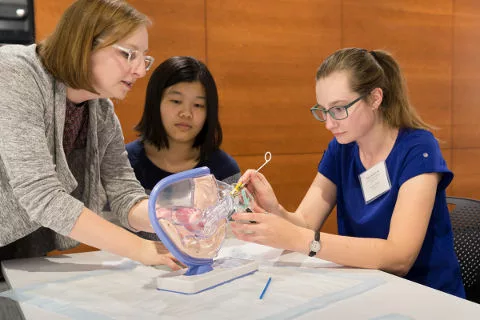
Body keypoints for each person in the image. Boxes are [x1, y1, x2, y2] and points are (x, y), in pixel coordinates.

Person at [230, 48, 466, 298]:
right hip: (367, 289)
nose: (330, 123)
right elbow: (306, 223)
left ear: (375, 98)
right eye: (323, 111)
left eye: (339, 109)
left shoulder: (418, 148)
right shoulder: (341, 149)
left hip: (427, 297)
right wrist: (276, 209)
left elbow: (399, 257)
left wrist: (300, 239)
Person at [0, 0, 182, 282]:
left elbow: (124, 194)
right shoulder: (15, 72)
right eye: (128, 54)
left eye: (144, 58)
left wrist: (172, 216)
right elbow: (42, 196)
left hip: (25, 254)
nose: (140, 71)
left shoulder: (101, 110)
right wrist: (142, 249)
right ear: (85, 43)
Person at [126, 56, 240, 193]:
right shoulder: (124, 164)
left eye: (198, 105)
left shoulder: (225, 169)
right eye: (176, 101)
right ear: (155, 103)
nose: (186, 113)